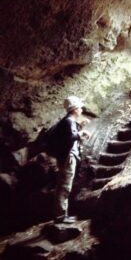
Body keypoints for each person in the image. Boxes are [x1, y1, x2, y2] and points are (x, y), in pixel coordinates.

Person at [53, 96, 91, 224]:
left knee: (64, 186)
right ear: (74, 109)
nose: (81, 109)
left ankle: (62, 215)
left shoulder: (69, 121)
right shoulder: (69, 121)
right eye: (80, 107)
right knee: (64, 186)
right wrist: (81, 133)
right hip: (68, 157)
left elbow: (69, 139)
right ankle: (61, 216)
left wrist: (81, 132)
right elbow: (70, 138)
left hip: (67, 156)